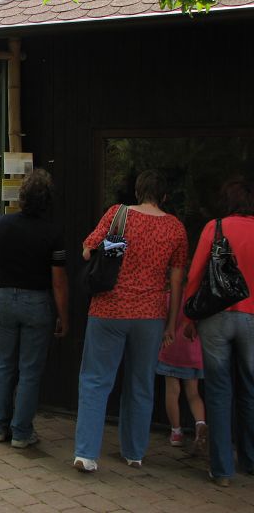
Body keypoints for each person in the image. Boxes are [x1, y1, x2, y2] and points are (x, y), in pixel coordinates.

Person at [73, 169, 187, 472]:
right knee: (141, 384)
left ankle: (86, 454)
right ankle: (134, 452)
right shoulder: (175, 229)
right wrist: (171, 324)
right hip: (150, 316)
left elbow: (88, 251)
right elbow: (176, 281)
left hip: (109, 310)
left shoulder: (118, 215)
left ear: (137, 192)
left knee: (96, 380)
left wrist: (113, 248)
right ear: (164, 196)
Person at [0, 168, 69, 449]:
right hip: (37, 304)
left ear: (21, 198)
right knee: (30, 370)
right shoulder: (53, 233)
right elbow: (58, 282)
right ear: (47, 201)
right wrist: (63, 316)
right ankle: (21, 433)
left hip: (4, 301)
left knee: (5, 365)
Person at [184, 176, 254, 487]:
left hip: (216, 316)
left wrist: (189, 315)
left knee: (219, 391)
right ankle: (250, 460)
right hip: (252, 317)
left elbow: (197, 271)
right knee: (250, 389)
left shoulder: (215, 228)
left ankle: (222, 469)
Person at [156, 296, 206, 453]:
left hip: (171, 348)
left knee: (172, 392)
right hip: (192, 350)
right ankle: (200, 425)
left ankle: (176, 432)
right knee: (193, 394)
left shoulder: (169, 297)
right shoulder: (197, 297)